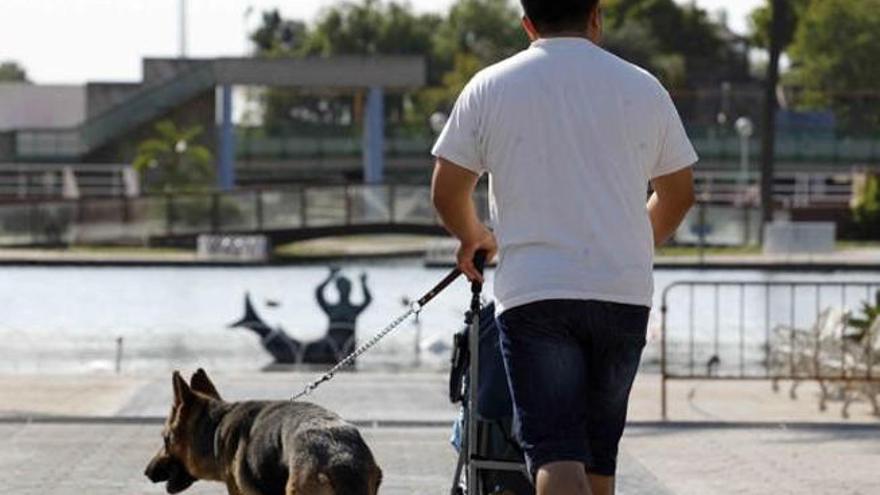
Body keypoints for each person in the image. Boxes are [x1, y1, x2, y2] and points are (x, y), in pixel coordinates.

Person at [430, 1, 697, 494]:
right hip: (622, 291)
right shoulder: (644, 87)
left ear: (528, 24)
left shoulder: (490, 86)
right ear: (596, 16)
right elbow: (679, 194)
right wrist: (632, 243)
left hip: (535, 292)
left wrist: (474, 237)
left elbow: (447, 190)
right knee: (600, 458)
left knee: (555, 452)